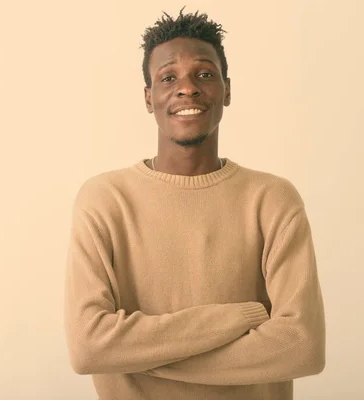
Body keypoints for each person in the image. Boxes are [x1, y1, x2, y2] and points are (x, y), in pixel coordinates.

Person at [63, 8, 326, 400]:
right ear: (149, 97)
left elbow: (303, 348)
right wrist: (241, 316)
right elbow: (88, 346)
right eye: (169, 78)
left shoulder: (272, 199)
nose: (187, 88)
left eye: (204, 74)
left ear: (227, 90)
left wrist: (139, 355)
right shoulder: (104, 200)